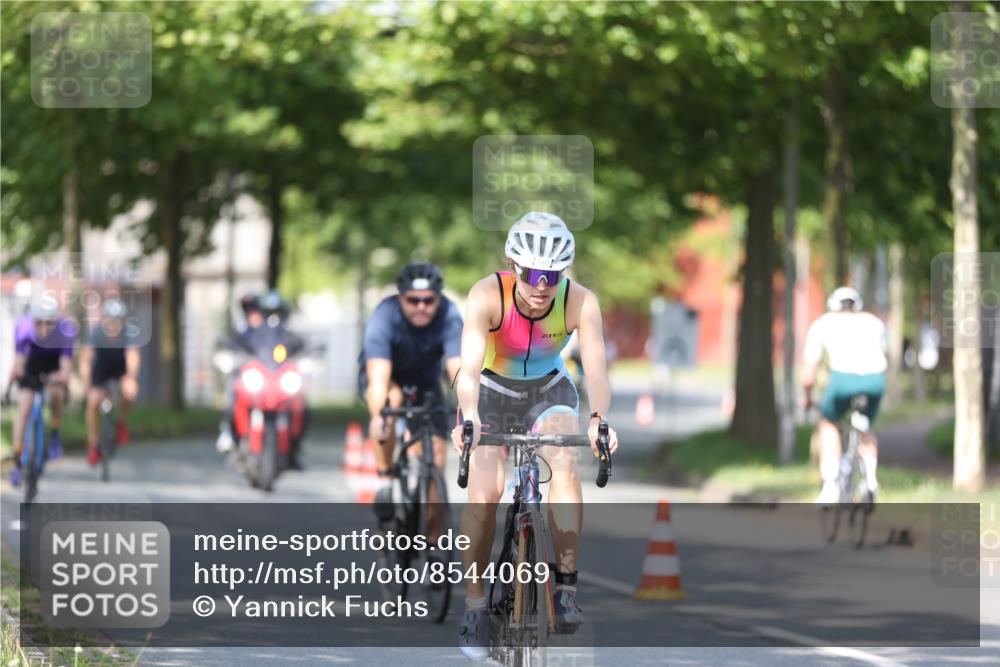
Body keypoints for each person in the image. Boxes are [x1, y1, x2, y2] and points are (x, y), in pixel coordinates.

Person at [450, 212, 619, 660]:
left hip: (549, 390)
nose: (541, 284)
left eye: (552, 274)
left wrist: (599, 419)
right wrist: (468, 417)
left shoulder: (580, 301)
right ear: (512, 264)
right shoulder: (488, 294)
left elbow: (598, 370)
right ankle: (474, 606)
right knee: (484, 495)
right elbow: (467, 368)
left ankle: (565, 585)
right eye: (531, 273)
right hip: (490, 389)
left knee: (563, 461)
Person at [359, 262, 463, 522]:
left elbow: (457, 370)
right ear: (400, 297)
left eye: (428, 301)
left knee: (437, 453)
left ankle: (432, 542)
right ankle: (385, 479)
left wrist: (469, 409)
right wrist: (379, 417)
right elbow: (379, 377)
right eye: (413, 300)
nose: (421, 307)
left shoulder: (449, 314)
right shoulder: (385, 315)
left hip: (425, 383)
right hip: (386, 378)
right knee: (389, 404)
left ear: (438, 298)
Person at [803, 286, 888, 505]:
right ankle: (870, 478)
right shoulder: (873, 322)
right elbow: (884, 352)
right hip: (874, 381)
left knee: (829, 423)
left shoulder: (823, 324)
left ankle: (830, 486)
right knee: (865, 426)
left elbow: (808, 375)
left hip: (842, 380)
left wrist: (807, 396)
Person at [8, 299, 74, 486]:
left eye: (49, 322)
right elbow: (19, 359)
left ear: (56, 320)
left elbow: (65, 366)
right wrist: (15, 373)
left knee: (56, 394)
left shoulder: (65, 331)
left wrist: (62, 377)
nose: (44, 327)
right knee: (24, 407)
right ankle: (17, 460)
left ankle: (54, 431)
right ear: (33, 320)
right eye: (39, 322)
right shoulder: (23, 328)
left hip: (53, 364)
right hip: (32, 364)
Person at [81, 298, 142, 466]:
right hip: (101, 373)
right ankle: (93, 444)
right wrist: (87, 383)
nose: (113, 324)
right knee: (93, 401)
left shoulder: (129, 334)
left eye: (116, 321)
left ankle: (121, 422)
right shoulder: (96, 333)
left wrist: (131, 377)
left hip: (120, 372)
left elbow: (133, 356)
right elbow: (86, 359)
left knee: (130, 392)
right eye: (109, 320)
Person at [216, 293, 265, 453]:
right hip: (244, 376)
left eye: (256, 311)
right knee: (232, 399)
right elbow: (229, 347)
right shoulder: (239, 330)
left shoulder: (268, 332)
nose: (253, 315)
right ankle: (228, 432)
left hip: (266, 378)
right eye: (250, 311)